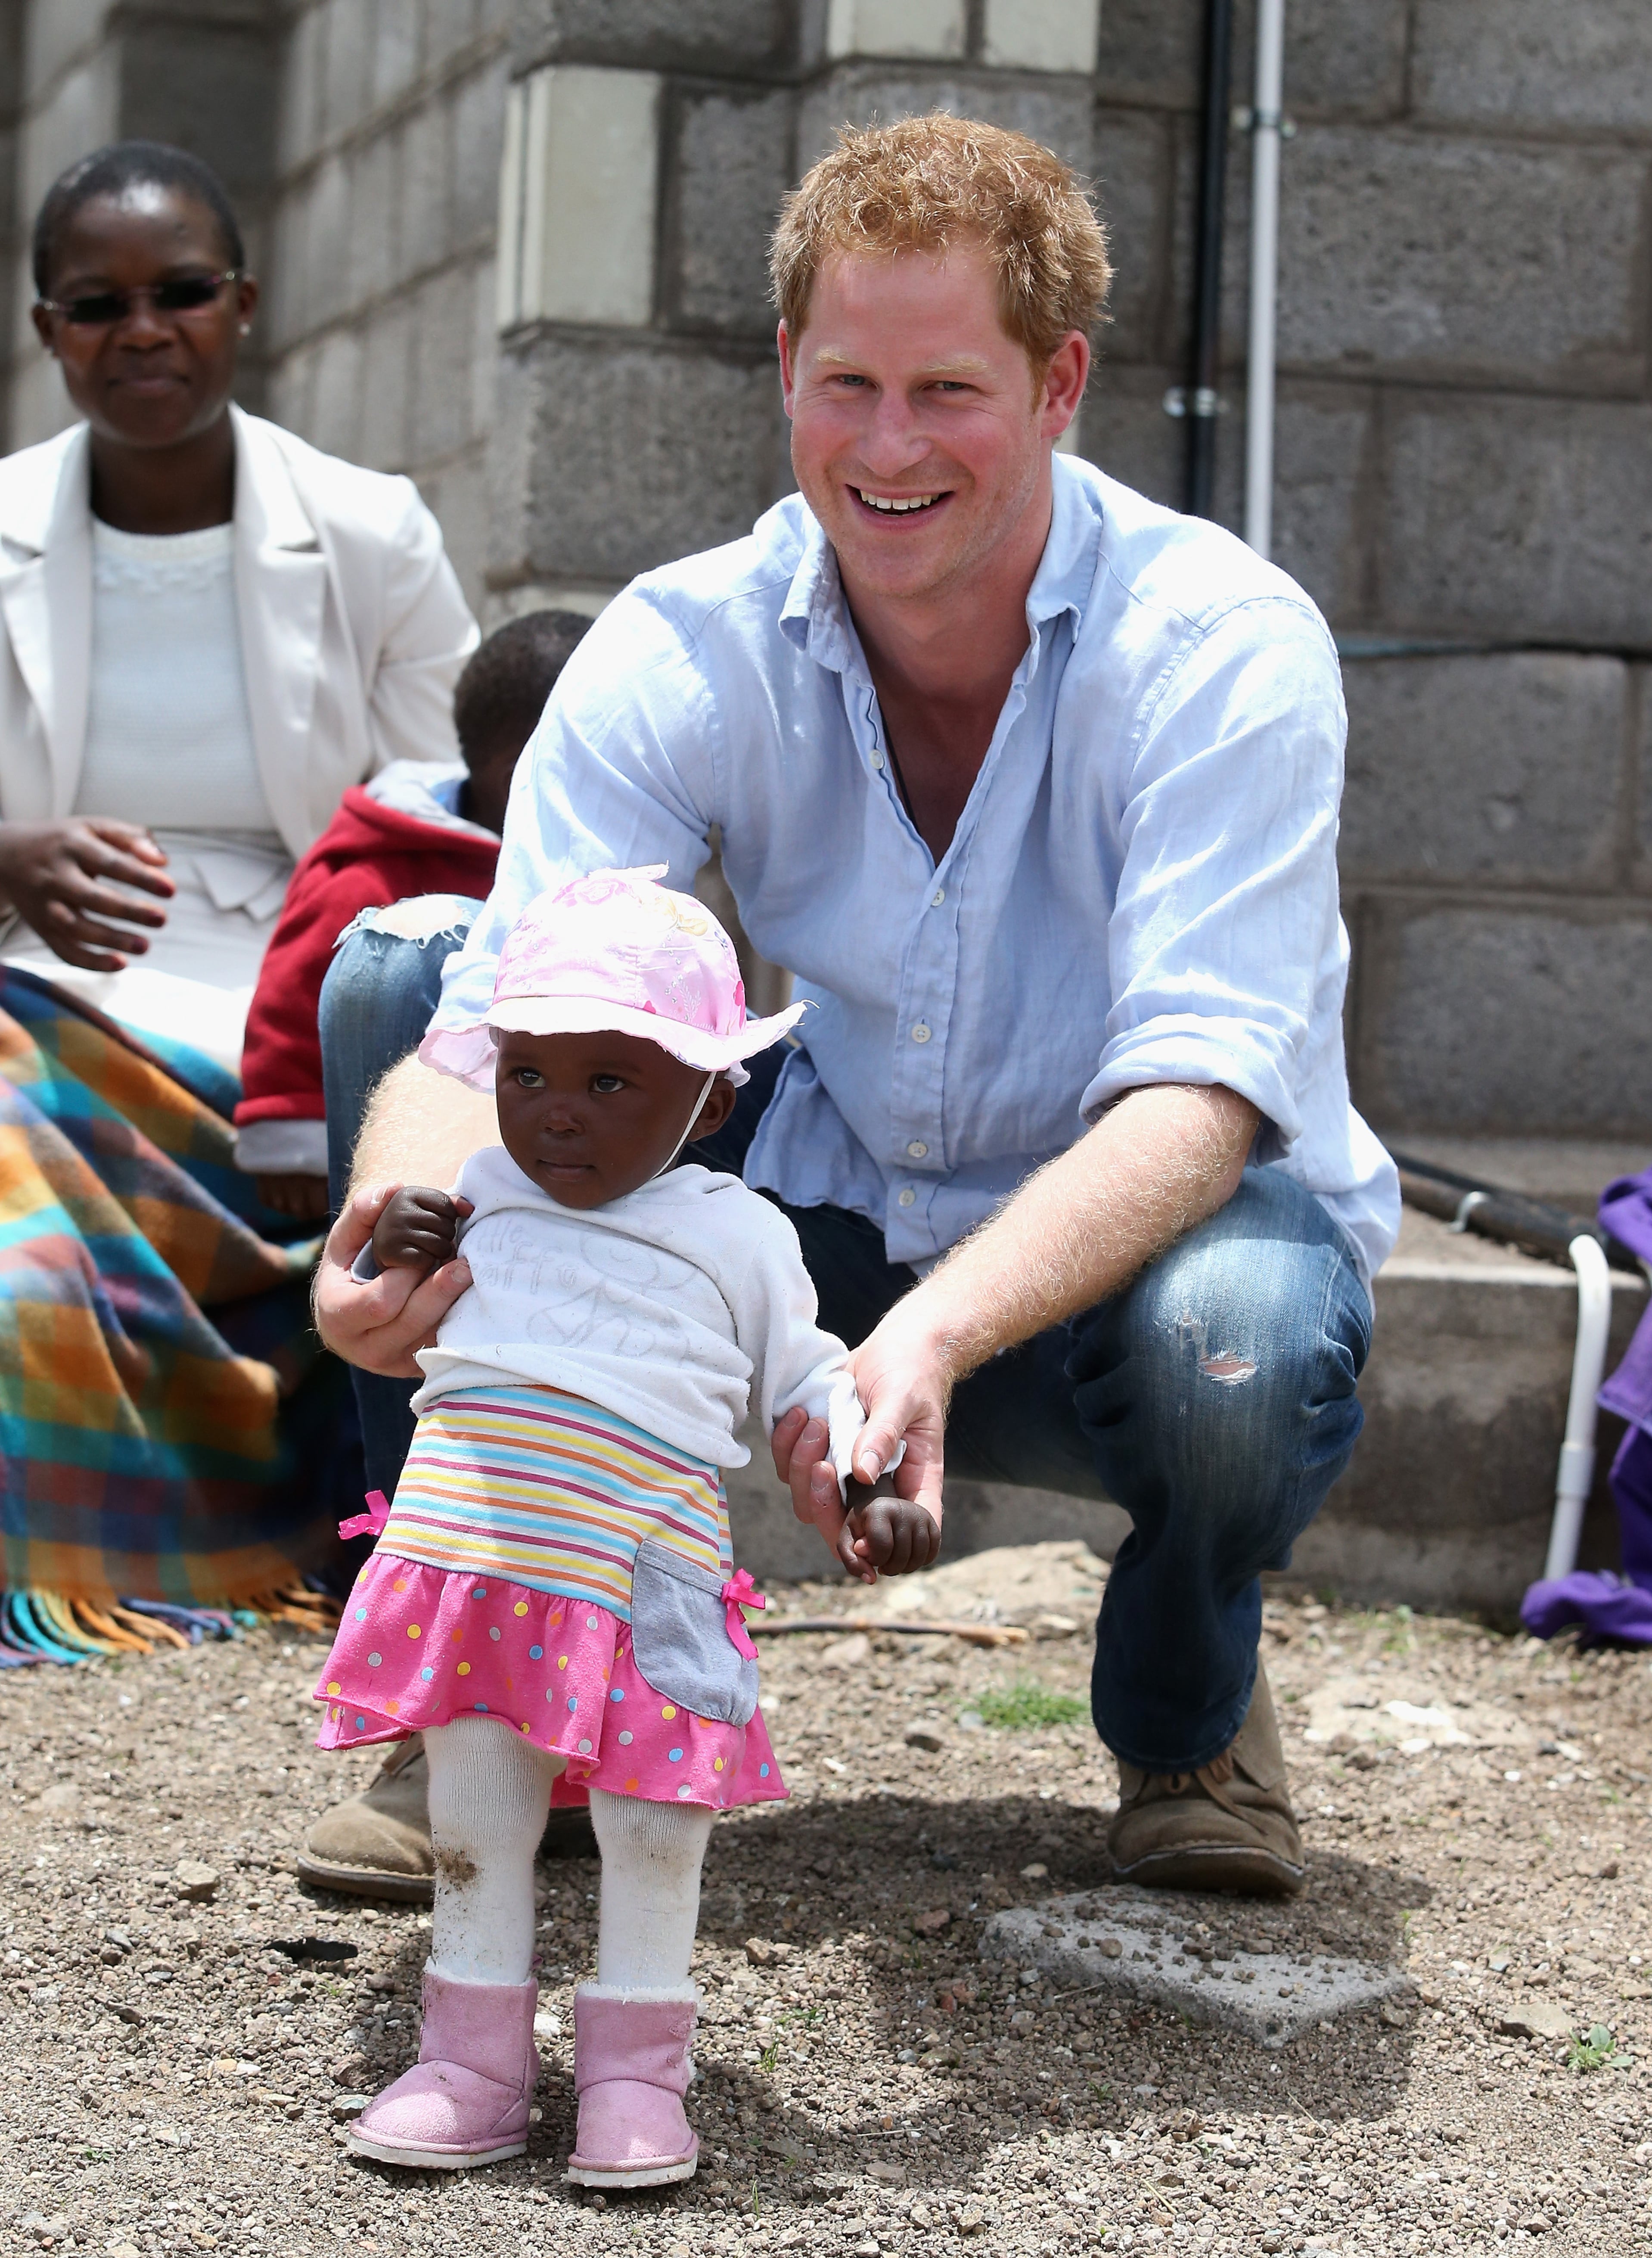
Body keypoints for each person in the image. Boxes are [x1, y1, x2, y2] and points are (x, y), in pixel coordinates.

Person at [305, 114, 1400, 1903]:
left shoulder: (1221, 644)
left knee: (1245, 1345)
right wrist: (388, 1233)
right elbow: (495, 1006)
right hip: (820, 1217)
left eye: (948, 389)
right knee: (402, 970)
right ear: (788, 376)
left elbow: (1207, 1093)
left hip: (1125, 1265)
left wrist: (937, 1338)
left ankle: (1190, 1710)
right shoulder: (686, 639)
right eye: (847, 383)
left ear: (1060, 384)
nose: (887, 450)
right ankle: (492, 1692)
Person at [314, 866, 935, 2177]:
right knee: (479, 1825)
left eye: (612, 1082)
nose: (557, 1115)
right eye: (529, 1072)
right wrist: (377, 1260)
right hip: (479, 1564)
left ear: (711, 1101)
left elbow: (811, 1384)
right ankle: (468, 2059)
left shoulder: (742, 1235)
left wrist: (869, 1480)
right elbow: (370, 1332)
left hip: (646, 1583)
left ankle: (639, 2076)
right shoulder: (474, 1194)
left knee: (656, 1827)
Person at [0, 140, 475, 1634]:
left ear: (244, 305)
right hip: (45, 974)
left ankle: (276, 1536)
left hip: (300, 979)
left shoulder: (369, 532)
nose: (144, 330)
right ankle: (72, 1555)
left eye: (181, 292)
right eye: (97, 305)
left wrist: (305, 1022)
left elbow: (449, 826)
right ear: (48, 334)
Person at [233, 609, 593, 1221]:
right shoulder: (382, 864)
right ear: (520, 775)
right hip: (391, 1136)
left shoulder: (601, 856)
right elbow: (290, 997)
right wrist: (289, 1123)